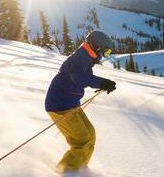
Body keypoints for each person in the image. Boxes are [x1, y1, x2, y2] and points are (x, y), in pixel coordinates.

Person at [45, 30, 116, 173]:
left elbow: (83, 77)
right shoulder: (80, 58)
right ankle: (65, 172)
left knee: (90, 133)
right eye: (106, 52)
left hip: (69, 104)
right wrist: (102, 82)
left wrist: (103, 83)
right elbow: (79, 77)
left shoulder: (85, 58)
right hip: (59, 106)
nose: (105, 55)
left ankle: (80, 168)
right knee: (82, 141)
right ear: (97, 47)